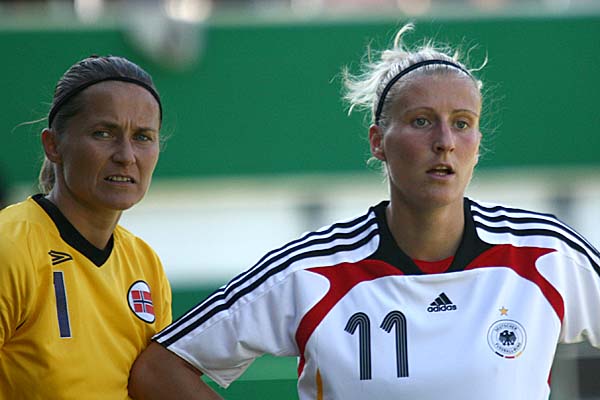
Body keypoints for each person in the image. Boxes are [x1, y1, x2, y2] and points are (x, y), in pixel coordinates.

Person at [128, 23, 600, 400]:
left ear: (477, 143)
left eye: (462, 124)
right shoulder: (311, 270)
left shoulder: (545, 253)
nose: (444, 142)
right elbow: (160, 369)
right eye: (421, 121)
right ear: (378, 141)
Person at [0, 55, 172, 399]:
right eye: (103, 133)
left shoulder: (145, 264)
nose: (126, 156)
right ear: (53, 145)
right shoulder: (11, 247)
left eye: (142, 137)